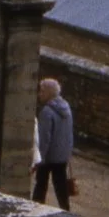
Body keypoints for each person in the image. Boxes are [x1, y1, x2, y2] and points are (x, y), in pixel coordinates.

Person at [30, 77, 75, 208]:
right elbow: (68, 134)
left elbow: (44, 139)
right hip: (62, 156)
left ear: (49, 93)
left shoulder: (47, 112)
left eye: (42, 91)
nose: (39, 94)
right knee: (61, 186)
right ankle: (65, 210)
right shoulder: (66, 108)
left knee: (40, 186)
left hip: (49, 157)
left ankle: (35, 209)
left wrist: (38, 160)